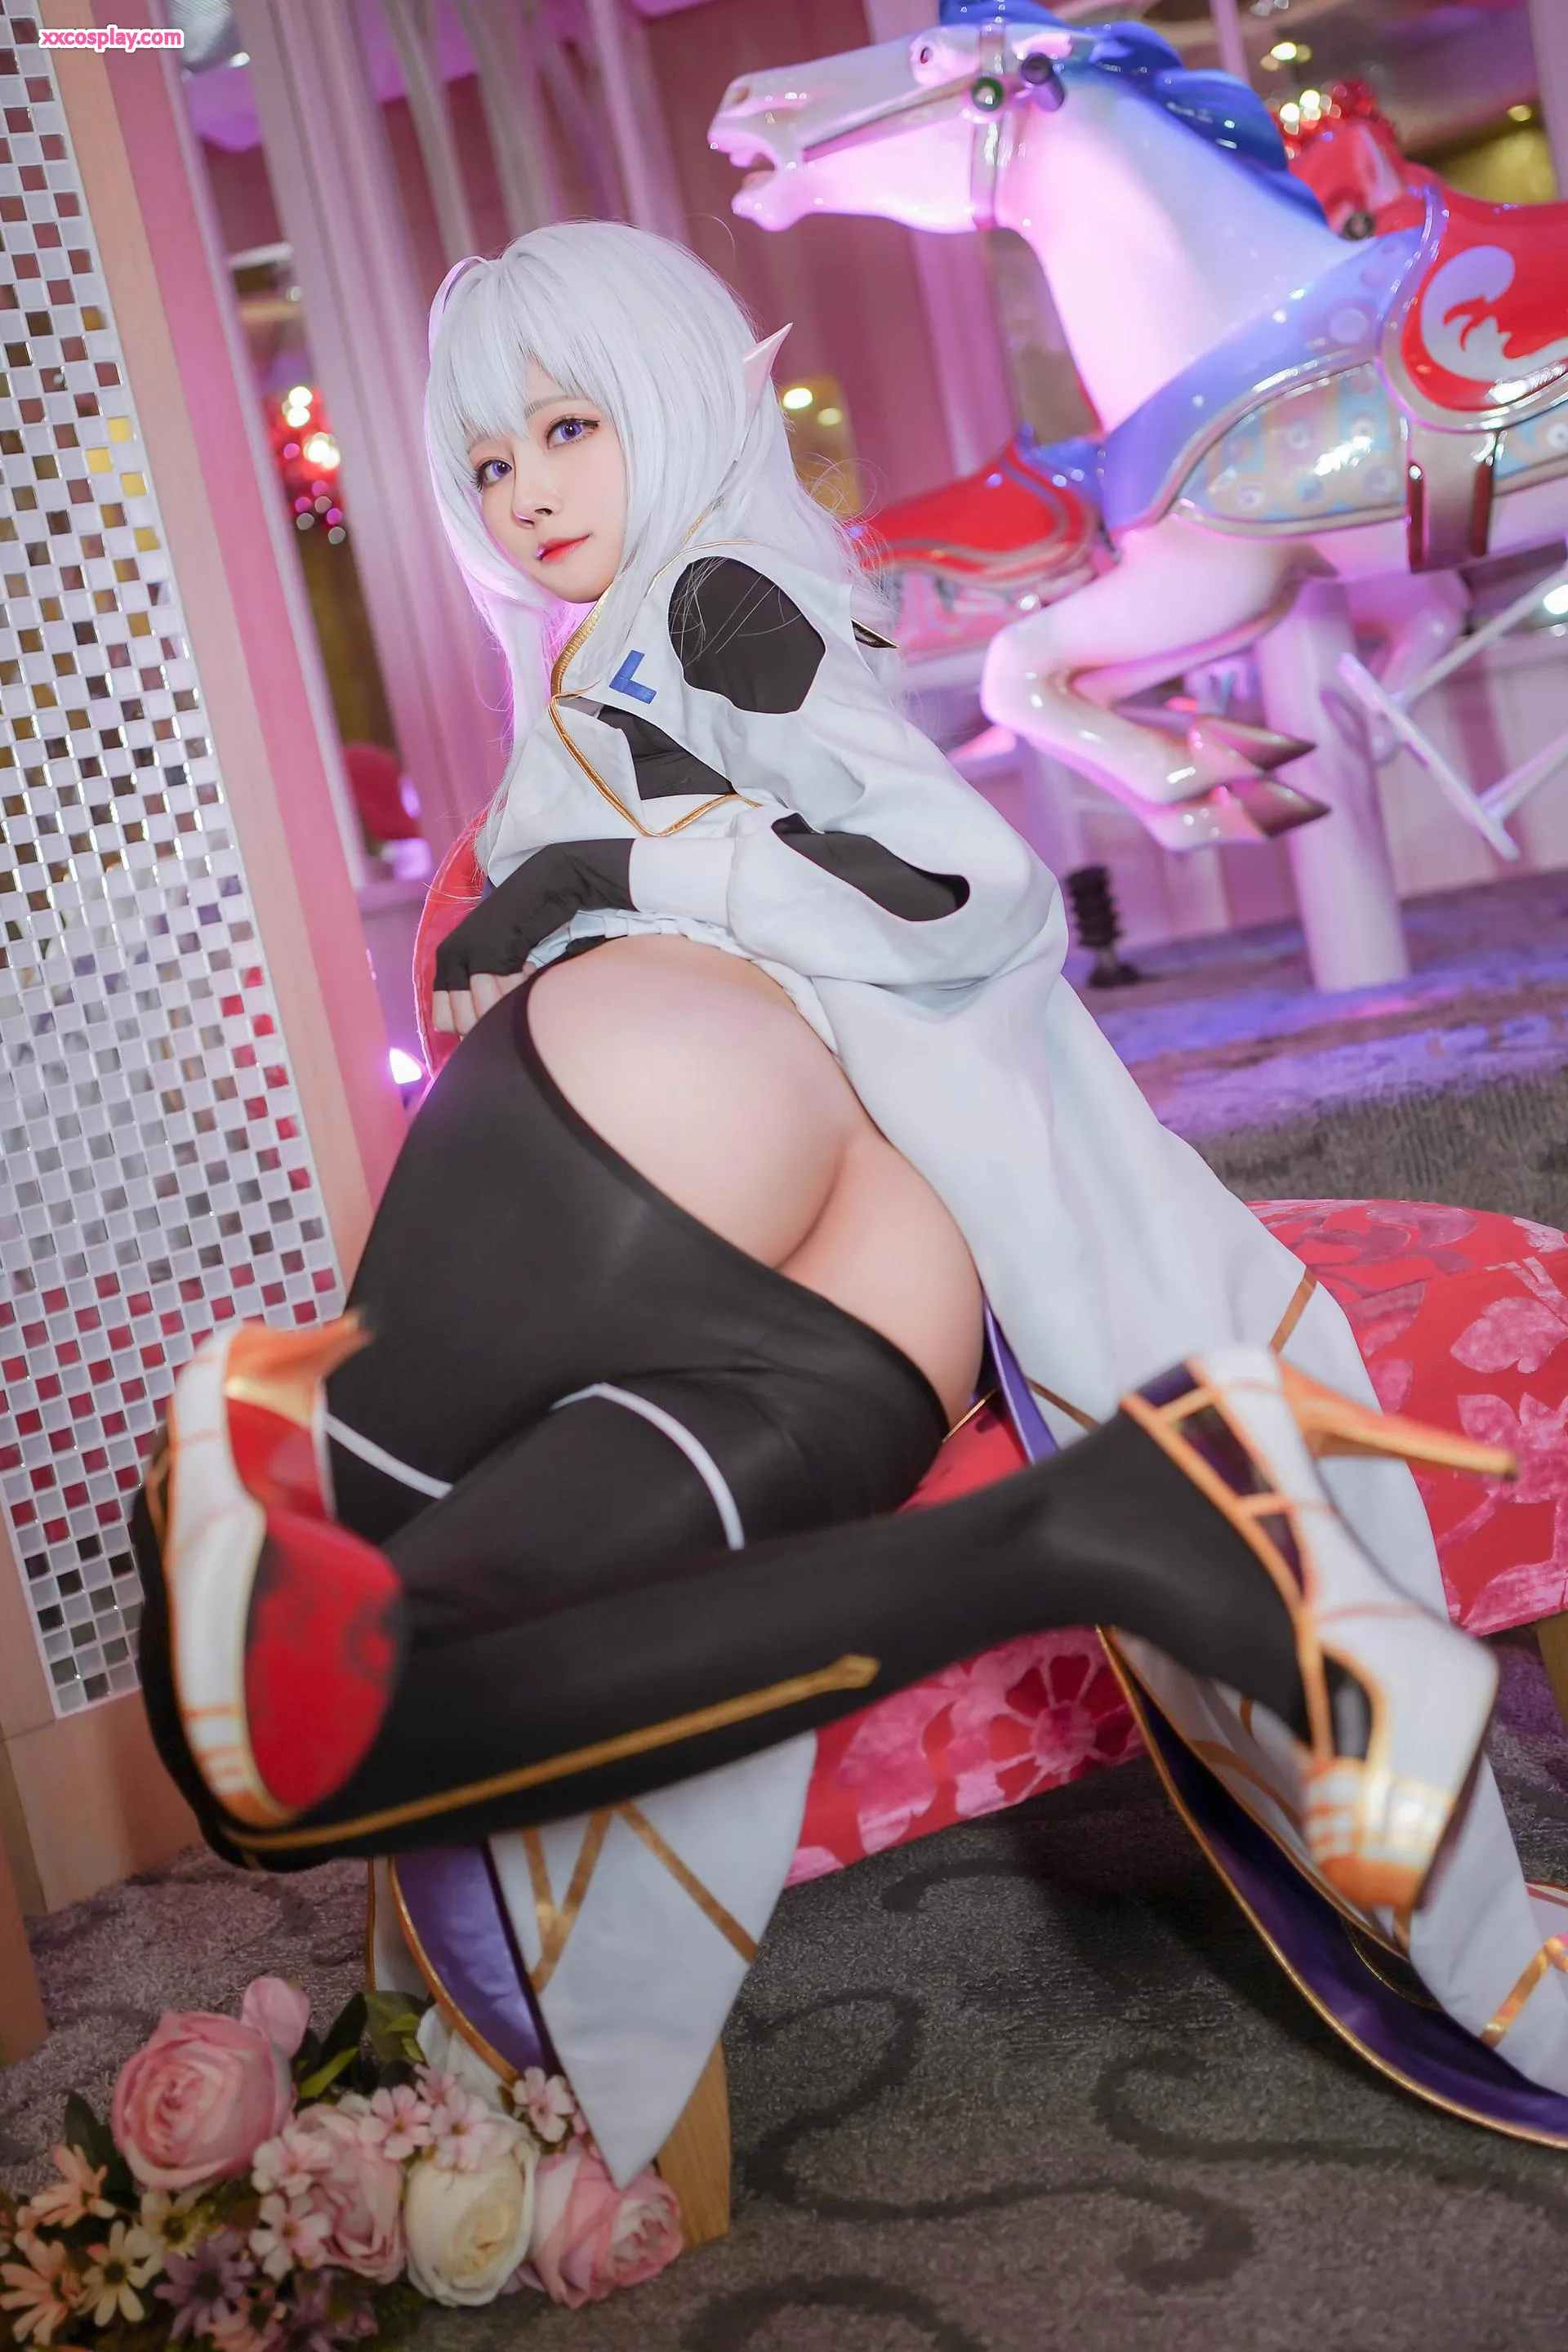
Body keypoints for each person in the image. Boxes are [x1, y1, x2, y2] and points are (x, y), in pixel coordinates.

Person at [133, 225, 1568, 2136]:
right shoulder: (634, 627)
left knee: (236, 1574)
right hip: (879, 1271)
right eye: (488, 459)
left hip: (722, 1131)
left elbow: (973, 886)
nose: (528, 490)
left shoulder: (711, 595)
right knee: (365, 1698)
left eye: (568, 427)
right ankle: (1079, 1536)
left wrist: (600, 882)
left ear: (672, 401)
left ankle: (1076, 1535)